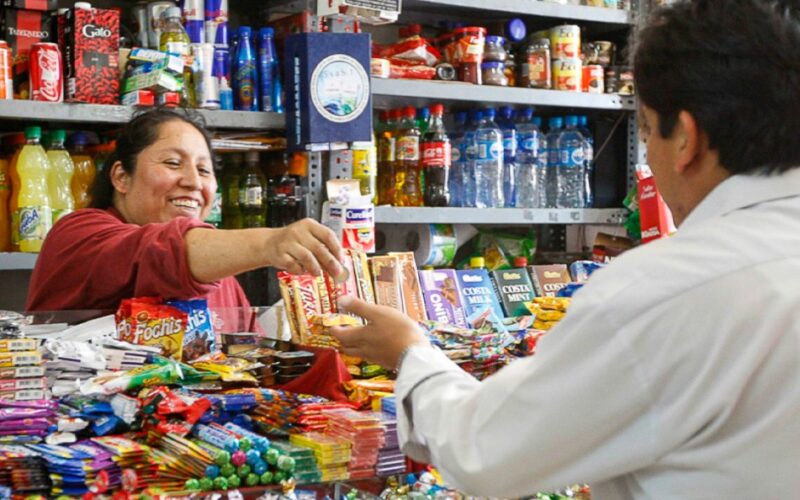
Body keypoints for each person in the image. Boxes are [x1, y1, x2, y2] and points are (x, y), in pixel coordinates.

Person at [331, 0, 800, 497]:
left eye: (644, 129)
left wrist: (411, 355)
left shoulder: (666, 290)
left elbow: (485, 452)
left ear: (685, 138)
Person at [26, 108, 344, 315]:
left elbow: (249, 364)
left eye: (204, 171)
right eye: (172, 163)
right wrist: (269, 243)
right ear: (121, 177)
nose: (193, 182)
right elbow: (160, 251)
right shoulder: (79, 234)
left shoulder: (218, 272)